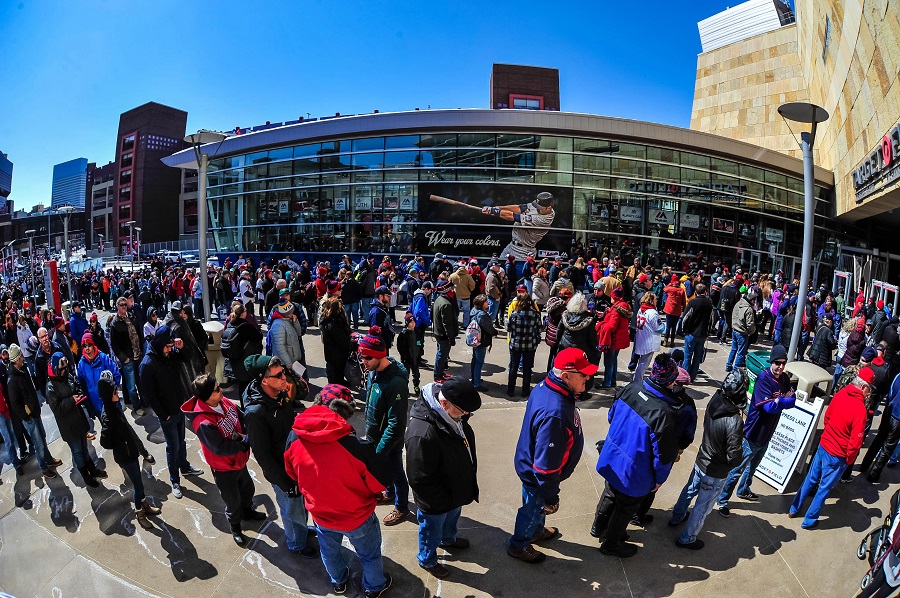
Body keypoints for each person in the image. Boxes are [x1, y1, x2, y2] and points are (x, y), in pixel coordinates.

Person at [284, 384, 393, 597]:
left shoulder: (295, 436)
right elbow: (379, 482)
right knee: (370, 555)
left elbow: (291, 472)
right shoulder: (354, 445)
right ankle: (374, 587)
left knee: (329, 552)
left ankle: (338, 581)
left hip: (321, 515)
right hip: (357, 516)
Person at [508, 348, 594, 564]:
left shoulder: (548, 386)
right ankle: (519, 545)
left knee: (535, 508)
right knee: (532, 508)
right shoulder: (554, 414)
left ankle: (536, 531)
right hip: (538, 477)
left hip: (530, 463)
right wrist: (552, 496)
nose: (588, 377)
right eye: (583, 374)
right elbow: (545, 468)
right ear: (565, 376)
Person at [593, 354, 683, 558]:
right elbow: (663, 457)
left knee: (610, 493)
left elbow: (611, 416)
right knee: (625, 508)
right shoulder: (665, 414)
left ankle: (597, 527)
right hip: (634, 473)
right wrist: (659, 480)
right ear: (670, 382)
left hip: (612, 458)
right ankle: (611, 544)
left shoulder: (630, 388)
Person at [242, 354, 317, 557]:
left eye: (283, 372)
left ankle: (301, 530)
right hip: (283, 473)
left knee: (300, 505)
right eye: (278, 375)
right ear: (264, 381)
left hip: (295, 463)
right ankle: (296, 543)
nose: (284, 377)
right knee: (291, 508)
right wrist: (285, 483)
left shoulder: (279, 393)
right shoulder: (255, 412)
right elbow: (263, 456)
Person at [405, 377, 481, 579]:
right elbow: (419, 478)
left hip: (453, 491)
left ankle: (448, 539)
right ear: (444, 403)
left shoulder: (451, 416)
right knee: (431, 530)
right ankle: (427, 559)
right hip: (436, 500)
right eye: (462, 411)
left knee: (451, 518)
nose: (465, 416)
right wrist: (438, 503)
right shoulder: (422, 434)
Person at [182, 374, 266, 546]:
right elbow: (219, 447)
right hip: (224, 468)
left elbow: (240, 415)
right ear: (207, 396)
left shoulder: (223, 401)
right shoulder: (203, 422)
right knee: (232, 501)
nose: (221, 390)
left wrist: (250, 428)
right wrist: (243, 444)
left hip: (239, 461)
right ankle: (235, 527)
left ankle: (247, 512)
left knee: (247, 489)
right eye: (216, 389)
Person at [669, 370, 747, 549]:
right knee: (702, 507)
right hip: (715, 471)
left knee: (689, 490)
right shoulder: (735, 421)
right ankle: (687, 538)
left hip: (702, 458)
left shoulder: (715, 399)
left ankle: (677, 516)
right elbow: (734, 457)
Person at [717, 344, 796, 516]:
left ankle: (743, 490)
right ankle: (722, 499)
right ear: (771, 362)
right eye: (777, 363)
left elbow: (793, 401)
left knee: (753, 467)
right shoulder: (763, 378)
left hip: (767, 434)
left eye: (783, 363)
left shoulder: (784, 379)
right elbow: (769, 408)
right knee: (737, 469)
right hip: (752, 434)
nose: (780, 367)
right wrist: (782, 400)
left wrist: (779, 401)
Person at [789, 367, 869, 527]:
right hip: (838, 455)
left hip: (824, 444)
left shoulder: (840, 394)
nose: (869, 394)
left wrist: (829, 435)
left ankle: (794, 508)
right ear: (863, 387)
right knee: (824, 488)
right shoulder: (860, 410)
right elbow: (855, 442)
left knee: (810, 478)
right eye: (869, 390)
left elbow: (827, 417)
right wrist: (849, 459)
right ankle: (809, 521)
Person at [139, 325, 204, 499]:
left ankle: (185, 467)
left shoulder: (170, 354)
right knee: (173, 447)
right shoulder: (148, 364)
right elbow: (149, 395)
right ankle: (175, 480)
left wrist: (181, 348)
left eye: (171, 346)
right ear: (160, 344)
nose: (169, 350)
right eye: (167, 347)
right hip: (167, 414)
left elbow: (187, 358)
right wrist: (163, 414)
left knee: (181, 442)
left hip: (178, 408)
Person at [360, 331, 411, 527]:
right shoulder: (374, 371)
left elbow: (396, 424)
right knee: (385, 471)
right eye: (362, 356)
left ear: (380, 356)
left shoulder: (396, 383)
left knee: (396, 472)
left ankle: (402, 506)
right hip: (375, 435)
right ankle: (390, 493)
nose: (363, 361)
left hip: (389, 441)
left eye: (367, 357)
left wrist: (380, 451)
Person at [98, 376, 160, 529]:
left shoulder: (114, 408)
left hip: (130, 451)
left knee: (139, 482)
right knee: (138, 485)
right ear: (108, 395)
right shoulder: (108, 416)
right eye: (114, 392)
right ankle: (139, 512)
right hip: (125, 456)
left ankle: (144, 504)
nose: (117, 393)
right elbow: (104, 442)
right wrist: (120, 444)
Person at [45, 352, 107, 487]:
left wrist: (79, 393)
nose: (64, 371)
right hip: (69, 426)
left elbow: (76, 384)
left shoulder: (67, 375)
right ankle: (86, 476)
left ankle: (92, 470)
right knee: (77, 452)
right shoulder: (50, 387)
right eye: (61, 369)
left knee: (84, 449)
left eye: (65, 368)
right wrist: (71, 400)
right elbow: (57, 409)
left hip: (79, 420)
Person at [6, 343, 62, 478]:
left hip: (35, 411)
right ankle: (44, 467)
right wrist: (26, 416)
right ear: (17, 359)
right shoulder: (12, 380)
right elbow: (15, 404)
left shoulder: (23, 369)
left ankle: (48, 459)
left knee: (42, 437)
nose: (23, 357)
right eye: (21, 355)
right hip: (29, 417)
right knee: (38, 443)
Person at [109, 296, 146, 414]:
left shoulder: (131, 316)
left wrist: (141, 349)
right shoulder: (115, 323)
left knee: (141, 382)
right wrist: (123, 358)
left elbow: (138, 333)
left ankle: (145, 402)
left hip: (138, 355)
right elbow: (114, 345)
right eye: (122, 305)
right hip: (128, 359)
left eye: (125, 304)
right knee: (131, 386)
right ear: (117, 306)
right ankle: (137, 407)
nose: (124, 306)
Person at [221, 302, 263, 402]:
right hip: (246, 359)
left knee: (242, 385)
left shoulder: (230, 325)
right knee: (249, 385)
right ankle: (248, 405)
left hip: (235, 360)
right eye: (245, 311)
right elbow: (258, 336)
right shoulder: (245, 327)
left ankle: (244, 405)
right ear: (243, 314)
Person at [506, 286, 542, 397]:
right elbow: (539, 329)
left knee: (513, 367)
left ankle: (511, 390)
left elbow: (508, 328)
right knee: (527, 369)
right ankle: (525, 391)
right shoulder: (535, 314)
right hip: (530, 345)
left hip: (515, 344)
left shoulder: (514, 314)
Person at [598, 287, 633, 389]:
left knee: (608, 362)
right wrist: (609, 312)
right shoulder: (622, 307)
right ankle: (612, 381)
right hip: (618, 340)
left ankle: (607, 383)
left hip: (612, 340)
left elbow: (612, 327)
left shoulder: (616, 310)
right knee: (613, 360)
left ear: (615, 298)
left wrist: (601, 324)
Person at [680, 283, 715, 382]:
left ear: (695, 292)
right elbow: (711, 319)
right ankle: (692, 377)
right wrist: (708, 332)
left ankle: (685, 377)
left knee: (687, 356)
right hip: (703, 334)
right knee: (697, 357)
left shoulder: (693, 302)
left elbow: (685, 317)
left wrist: (683, 330)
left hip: (691, 333)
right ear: (705, 291)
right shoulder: (709, 303)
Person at [319, 295, 352, 386]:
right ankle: (335, 386)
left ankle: (340, 381)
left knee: (339, 370)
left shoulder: (328, 320)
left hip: (333, 353)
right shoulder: (333, 323)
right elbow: (341, 340)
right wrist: (349, 344)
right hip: (336, 353)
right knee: (335, 372)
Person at [432, 279, 458, 383]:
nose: (453, 290)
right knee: (442, 355)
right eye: (451, 288)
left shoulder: (439, 299)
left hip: (438, 332)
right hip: (443, 335)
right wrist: (451, 338)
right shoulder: (446, 304)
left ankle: (441, 373)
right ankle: (437, 376)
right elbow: (447, 323)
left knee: (441, 354)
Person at [725, 288, 758, 372]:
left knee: (733, 349)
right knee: (741, 353)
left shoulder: (738, 303)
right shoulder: (748, 309)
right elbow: (750, 324)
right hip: (742, 333)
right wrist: (751, 332)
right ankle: (735, 370)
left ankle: (728, 365)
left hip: (735, 330)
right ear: (752, 300)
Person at [468, 295, 497, 392]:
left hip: (474, 339)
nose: (487, 303)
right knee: (479, 362)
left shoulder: (473, 311)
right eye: (486, 302)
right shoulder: (482, 315)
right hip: (481, 340)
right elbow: (488, 328)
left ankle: (474, 378)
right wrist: (494, 332)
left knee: (475, 360)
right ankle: (476, 383)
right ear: (481, 304)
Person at [633, 292, 663, 381]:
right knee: (644, 363)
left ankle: (637, 379)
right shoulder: (652, 312)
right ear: (651, 300)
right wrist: (664, 326)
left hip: (641, 338)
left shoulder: (641, 309)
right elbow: (659, 328)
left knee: (641, 362)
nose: (656, 300)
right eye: (655, 299)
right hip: (649, 341)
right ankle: (637, 380)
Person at [397, 313, 420, 394]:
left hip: (415, 358)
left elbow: (419, 343)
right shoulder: (403, 334)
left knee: (416, 374)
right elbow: (400, 347)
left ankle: (416, 386)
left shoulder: (417, 332)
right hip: (406, 359)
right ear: (407, 323)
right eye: (411, 322)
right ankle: (405, 388)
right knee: (405, 375)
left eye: (414, 322)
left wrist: (419, 352)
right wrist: (404, 356)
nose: (413, 324)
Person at [450, 264, 476, 328]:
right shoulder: (468, 276)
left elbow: (448, 284)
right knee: (466, 312)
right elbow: (472, 285)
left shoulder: (453, 275)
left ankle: (455, 325)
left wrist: (452, 290)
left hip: (456, 296)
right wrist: (470, 290)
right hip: (466, 296)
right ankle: (465, 325)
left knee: (455, 311)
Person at [662, 274, 685, 347]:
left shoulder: (670, 289)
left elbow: (664, 289)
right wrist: (684, 309)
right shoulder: (681, 290)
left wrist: (670, 284)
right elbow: (683, 301)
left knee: (668, 326)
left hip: (669, 309)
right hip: (677, 310)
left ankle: (665, 341)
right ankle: (672, 342)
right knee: (674, 326)